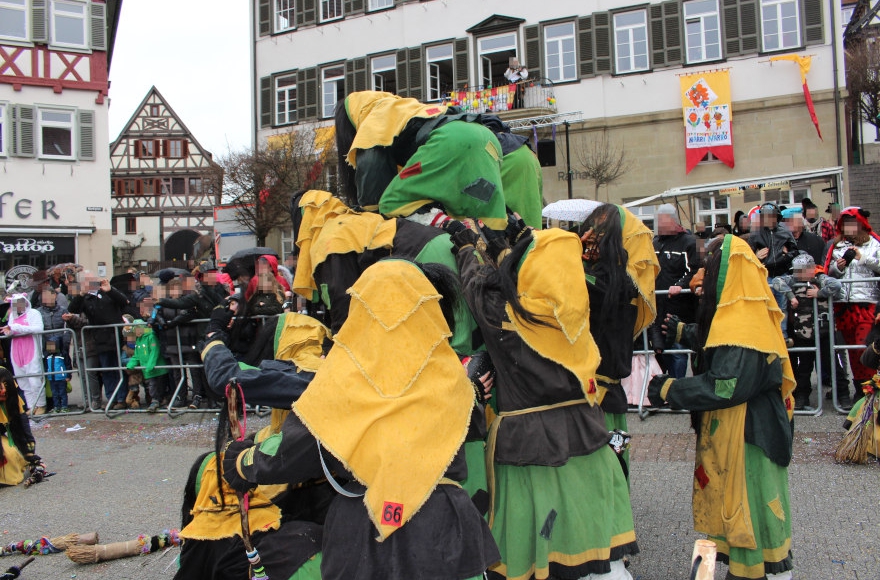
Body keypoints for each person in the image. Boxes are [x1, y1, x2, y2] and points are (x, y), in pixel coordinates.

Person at [222, 260, 499, 579]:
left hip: (365, 531)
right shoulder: (452, 376)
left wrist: (243, 462)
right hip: (445, 525)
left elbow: (299, 449)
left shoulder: (345, 377)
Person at [453, 224, 638, 580]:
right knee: (594, 543)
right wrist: (506, 251)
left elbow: (477, 286)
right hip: (589, 443)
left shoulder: (510, 318)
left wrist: (467, 248)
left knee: (537, 547)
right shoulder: (575, 315)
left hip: (531, 452)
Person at [648, 234, 795, 580]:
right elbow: (719, 342)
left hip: (750, 435)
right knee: (740, 505)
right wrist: (685, 332)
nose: (699, 279)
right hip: (739, 429)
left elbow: (725, 383)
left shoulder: (745, 324)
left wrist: (670, 388)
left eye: (708, 270)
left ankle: (764, 572)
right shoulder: (740, 311)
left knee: (753, 506)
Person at [335, 91, 508, 231]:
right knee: (486, 216)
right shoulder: (403, 107)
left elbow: (372, 166)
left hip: (452, 140)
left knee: (392, 203)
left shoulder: (374, 118)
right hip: (486, 137)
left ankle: (451, 227)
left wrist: (369, 211)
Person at [579, 203, 659, 476]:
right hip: (609, 392)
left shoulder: (612, 281)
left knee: (603, 467)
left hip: (598, 393)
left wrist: (573, 260)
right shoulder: (619, 277)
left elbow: (592, 289)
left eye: (599, 231)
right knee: (614, 459)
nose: (592, 236)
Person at [769, 253, 843, 409]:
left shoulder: (820, 278)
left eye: (801, 270)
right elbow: (776, 281)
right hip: (803, 332)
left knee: (832, 365)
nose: (798, 274)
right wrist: (790, 296)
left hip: (824, 331)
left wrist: (819, 293)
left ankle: (842, 395)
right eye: (797, 271)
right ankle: (802, 397)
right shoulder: (794, 280)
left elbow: (836, 286)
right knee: (804, 367)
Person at [824, 206, 880, 408]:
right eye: (844, 224)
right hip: (842, 305)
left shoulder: (873, 243)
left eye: (852, 223)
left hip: (866, 303)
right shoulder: (836, 245)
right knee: (850, 351)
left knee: (863, 347)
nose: (848, 227)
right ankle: (860, 391)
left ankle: (871, 389)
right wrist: (837, 267)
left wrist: (862, 258)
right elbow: (827, 273)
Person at [68, 273, 130, 410]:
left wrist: (111, 290)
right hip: (100, 339)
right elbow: (72, 309)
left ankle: (121, 398)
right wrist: (81, 294)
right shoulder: (86, 298)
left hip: (115, 336)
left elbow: (124, 302)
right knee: (106, 370)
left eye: (93, 280)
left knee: (118, 368)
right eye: (88, 281)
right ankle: (112, 398)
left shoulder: (108, 291)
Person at [651, 204, 699, 378]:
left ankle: (676, 387)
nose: (659, 225)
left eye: (663, 221)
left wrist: (681, 285)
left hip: (680, 307)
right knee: (659, 348)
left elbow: (699, 269)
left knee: (678, 350)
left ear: (673, 221)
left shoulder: (692, 241)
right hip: (658, 305)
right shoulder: (655, 242)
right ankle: (663, 387)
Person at [748, 203, 798, 345]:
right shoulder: (756, 234)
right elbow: (748, 256)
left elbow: (795, 251)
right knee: (766, 306)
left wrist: (784, 257)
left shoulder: (785, 232)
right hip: (765, 274)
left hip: (781, 273)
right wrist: (756, 256)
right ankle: (767, 335)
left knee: (782, 306)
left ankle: (782, 336)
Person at [1, 294, 45, 414]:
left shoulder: (34, 313)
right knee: (23, 381)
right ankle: (31, 406)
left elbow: (38, 328)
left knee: (34, 379)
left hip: (31, 349)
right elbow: (11, 332)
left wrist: (16, 327)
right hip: (17, 351)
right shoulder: (13, 316)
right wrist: (8, 331)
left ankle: (40, 404)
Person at [0, 366, 43, 487]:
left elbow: (22, 428)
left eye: (6, 389)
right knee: (7, 454)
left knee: (13, 453)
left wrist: (30, 454)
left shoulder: (14, 400)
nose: (3, 393)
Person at [126, 319, 170, 413]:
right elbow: (137, 355)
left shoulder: (151, 336)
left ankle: (159, 401)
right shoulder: (139, 340)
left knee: (159, 385)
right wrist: (131, 364)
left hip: (156, 368)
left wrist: (150, 365)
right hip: (148, 369)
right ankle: (157, 401)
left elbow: (155, 351)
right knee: (152, 385)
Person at [44, 338, 71, 413]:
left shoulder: (62, 354)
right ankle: (57, 406)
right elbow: (46, 367)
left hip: (61, 378)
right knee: (54, 394)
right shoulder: (48, 356)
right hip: (52, 378)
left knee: (62, 393)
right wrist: (46, 375)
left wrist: (68, 375)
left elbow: (68, 364)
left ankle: (64, 406)